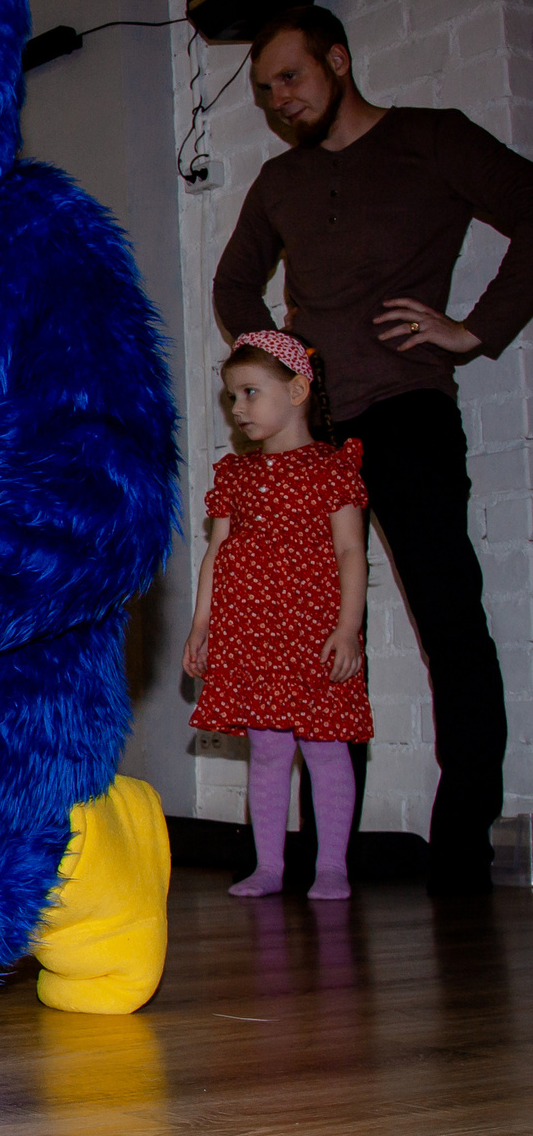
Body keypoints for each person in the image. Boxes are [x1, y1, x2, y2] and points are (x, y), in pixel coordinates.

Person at [215, 5, 533, 890]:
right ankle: (318, 860)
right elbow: (236, 281)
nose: (280, 98)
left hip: (407, 413)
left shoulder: (432, 141)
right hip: (312, 443)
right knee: (306, 632)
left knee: (449, 619)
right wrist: (281, 370)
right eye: (267, 88)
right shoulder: (279, 183)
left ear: (340, 61)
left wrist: (473, 329)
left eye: (292, 77)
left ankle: (461, 849)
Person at [183, 333, 371, 899]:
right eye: (231, 397)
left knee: (325, 746)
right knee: (266, 750)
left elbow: (350, 552)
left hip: (312, 632)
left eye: (248, 393)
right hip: (251, 634)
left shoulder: (331, 468)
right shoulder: (235, 476)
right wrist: (201, 625)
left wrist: (347, 627)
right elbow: (217, 552)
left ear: (296, 390)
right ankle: (269, 866)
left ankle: (332, 866)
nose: (237, 409)